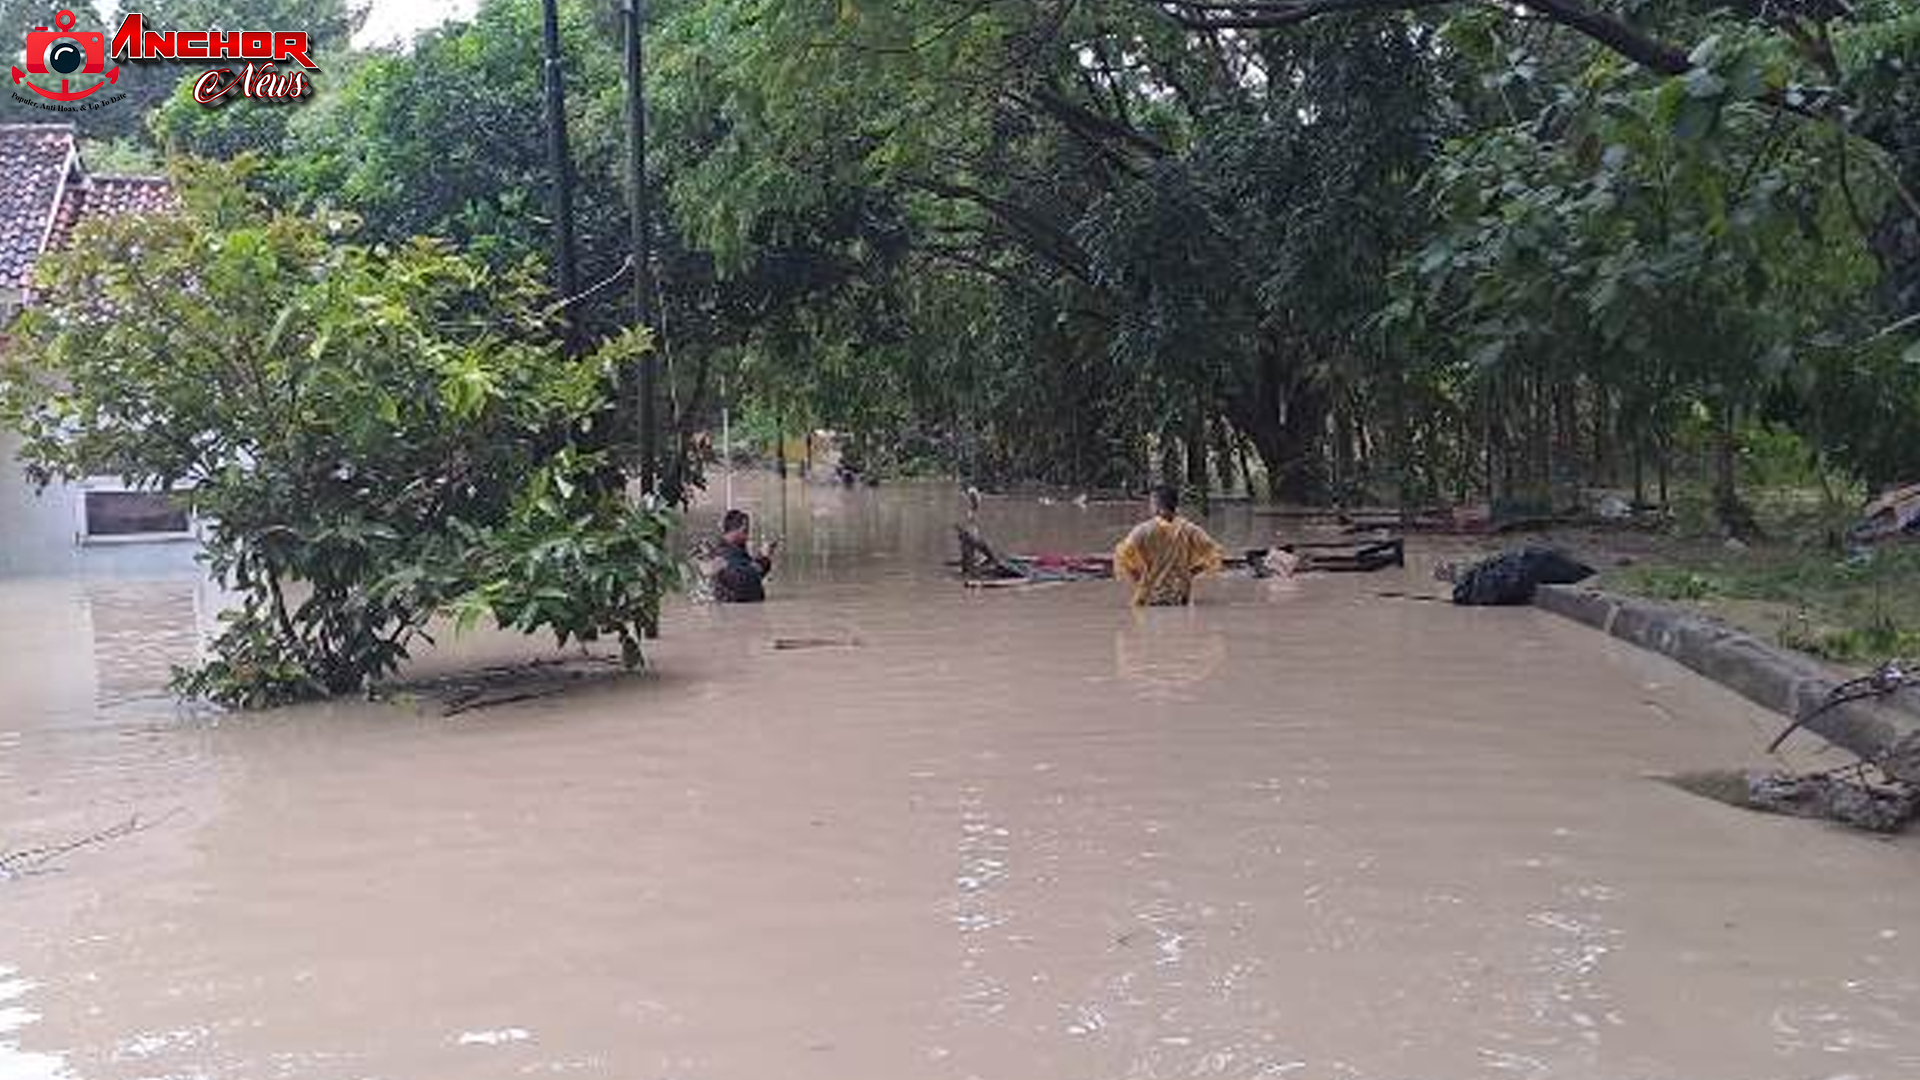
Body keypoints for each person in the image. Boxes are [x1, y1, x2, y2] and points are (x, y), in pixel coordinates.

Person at [1113, 485, 1226, 606]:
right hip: (1180, 595)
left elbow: (1121, 557)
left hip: (1150, 596)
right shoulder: (1190, 530)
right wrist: (1193, 572)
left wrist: (1138, 576)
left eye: (1151, 503)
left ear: (1156, 506)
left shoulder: (1142, 530)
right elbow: (1215, 553)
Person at [712, 509, 778, 603]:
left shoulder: (735, 551)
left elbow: (751, 572)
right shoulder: (725, 554)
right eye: (745, 531)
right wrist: (764, 558)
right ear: (741, 528)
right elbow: (747, 580)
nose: (747, 537)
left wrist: (764, 559)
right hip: (735, 613)